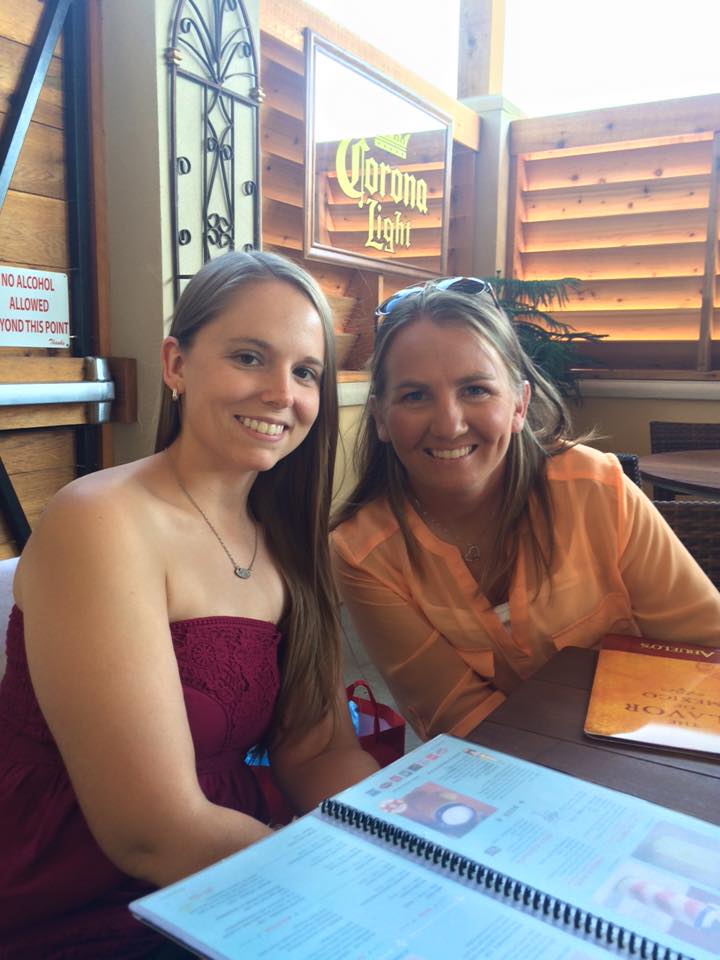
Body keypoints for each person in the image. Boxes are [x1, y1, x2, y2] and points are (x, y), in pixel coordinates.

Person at [0, 250, 377, 959]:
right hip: (86, 894)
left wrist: (398, 843)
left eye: (305, 372)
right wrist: (333, 890)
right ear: (176, 364)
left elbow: (319, 749)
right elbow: (151, 833)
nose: (281, 392)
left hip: (232, 863)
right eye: (249, 357)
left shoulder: (287, 541)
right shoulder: (101, 521)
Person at [331, 277, 720, 742]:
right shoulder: (362, 553)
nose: (449, 425)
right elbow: (457, 716)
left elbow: (707, 645)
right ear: (381, 418)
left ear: (519, 403)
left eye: (475, 389)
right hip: (503, 771)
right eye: (415, 396)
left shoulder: (597, 487)